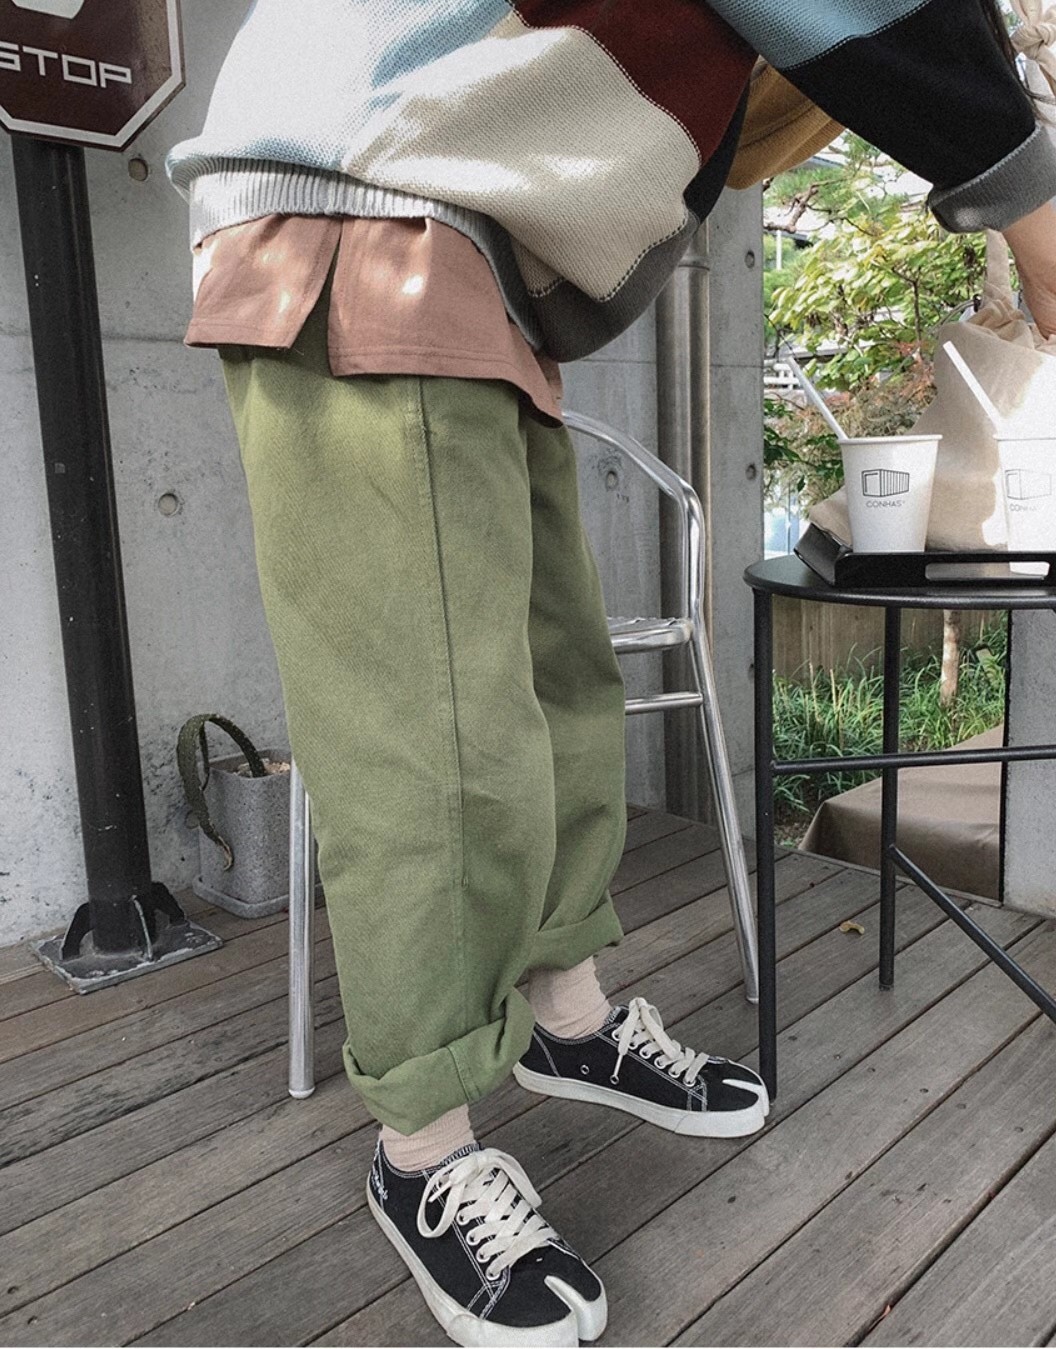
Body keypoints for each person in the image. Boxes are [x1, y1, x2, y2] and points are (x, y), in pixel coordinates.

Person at [165, 1, 1056, 1343]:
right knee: (430, 741)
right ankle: (421, 1148)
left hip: (462, 230)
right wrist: (1032, 205)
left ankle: (566, 1021)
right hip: (365, 202)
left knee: (563, 686)